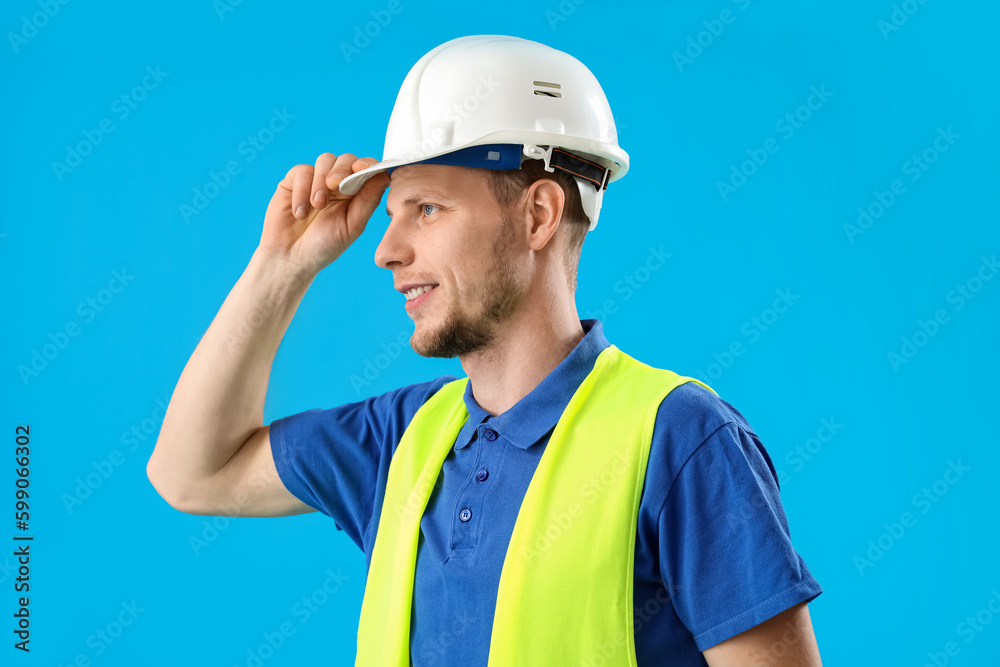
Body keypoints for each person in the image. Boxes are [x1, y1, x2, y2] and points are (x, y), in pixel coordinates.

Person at [147, 35, 823, 666]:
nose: (386, 251)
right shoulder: (401, 440)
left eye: (428, 210)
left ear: (538, 215)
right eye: (392, 215)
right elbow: (190, 473)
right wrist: (281, 267)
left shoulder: (680, 440)